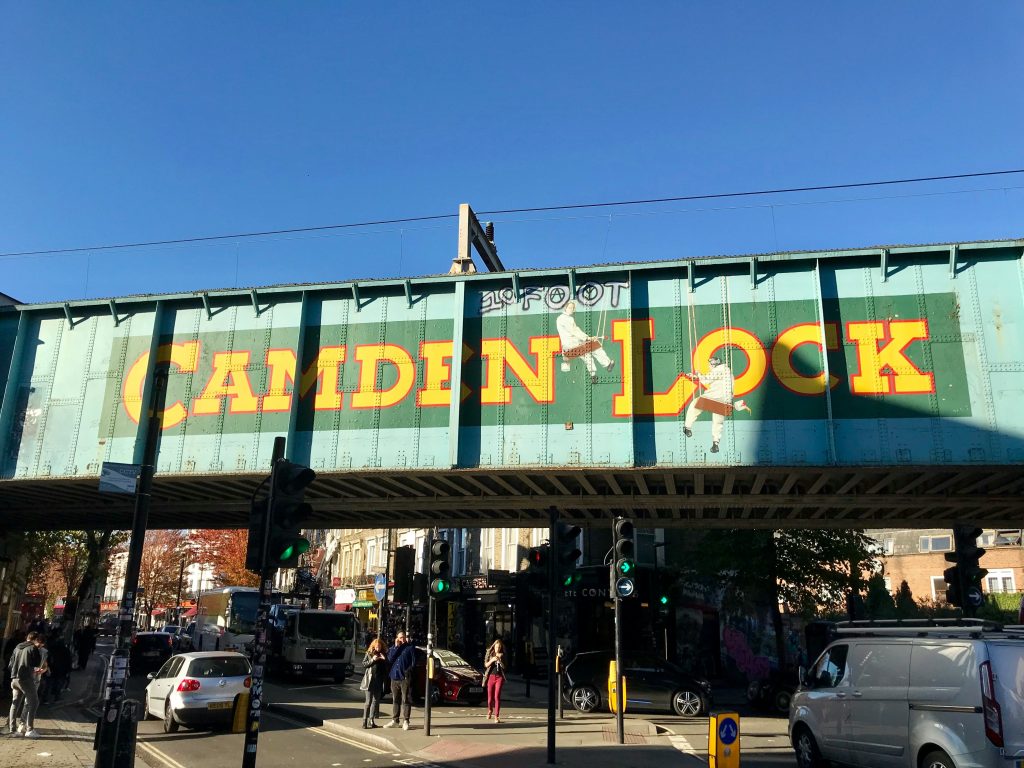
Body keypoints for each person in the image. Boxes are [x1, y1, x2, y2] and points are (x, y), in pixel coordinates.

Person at [683, 355, 734, 453]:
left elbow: (706, 380)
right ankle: (715, 444)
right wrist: (696, 376)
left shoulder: (719, 369)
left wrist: (698, 373)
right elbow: (714, 379)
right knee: (718, 422)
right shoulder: (727, 370)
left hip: (714, 397)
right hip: (725, 400)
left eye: (710, 364)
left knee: (694, 405)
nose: (709, 366)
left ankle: (687, 427)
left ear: (714, 364)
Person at [556, 301, 614, 384]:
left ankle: (593, 376)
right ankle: (607, 364)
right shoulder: (565, 319)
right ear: (565, 308)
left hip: (570, 347)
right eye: (570, 307)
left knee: (587, 356)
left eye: (573, 308)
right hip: (572, 346)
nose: (572, 309)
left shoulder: (564, 318)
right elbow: (574, 331)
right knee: (595, 346)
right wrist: (588, 338)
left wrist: (587, 338)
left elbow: (576, 331)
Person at [8, 631, 45, 738]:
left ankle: (12, 730)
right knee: (34, 702)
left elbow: (10, 664)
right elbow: (37, 663)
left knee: (15, 703)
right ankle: (29, 729)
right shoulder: (33, 648)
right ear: (36, 639)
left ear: (27, 637)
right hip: (25, 679)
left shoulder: (17, 647)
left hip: (14, 678)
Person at [383, 630, 416, 731]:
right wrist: (396, 647)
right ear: (397, 638)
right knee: (395, 699)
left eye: (403, 637)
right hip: (394, 676)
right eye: (400, 637)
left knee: (406, 699)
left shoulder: (410, 647)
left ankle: (406, 720)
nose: (402, 639)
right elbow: (390, 659)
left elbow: (414, 662)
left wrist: (408, 671)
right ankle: (395, 721)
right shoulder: (393, 648)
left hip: (404, 677)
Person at [359, 637, 388, 729]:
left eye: (379, 646)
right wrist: (373, 660)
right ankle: (364, 721)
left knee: (375, 701)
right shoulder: (369, 654)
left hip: (379, 681)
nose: (378, 648)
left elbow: (386, 669)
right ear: (373, 646)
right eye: (377, 646)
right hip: (370, 681)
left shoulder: (383, 655)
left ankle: (371, 721)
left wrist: (385, 660)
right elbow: (364, 664)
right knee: (368, 702)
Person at [483, 639, 507, 723]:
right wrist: (492, 660)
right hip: (491, 677)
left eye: (499, 647)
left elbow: (505, 667)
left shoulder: (502, 655)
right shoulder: (489, 653)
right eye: (497, 647)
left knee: (497, 696)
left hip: (499, 677)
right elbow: (486, 665)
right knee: (490, 698)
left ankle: (496, 716)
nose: (498, 649)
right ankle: (490, 710)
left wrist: (500, 661)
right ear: (494, 647)